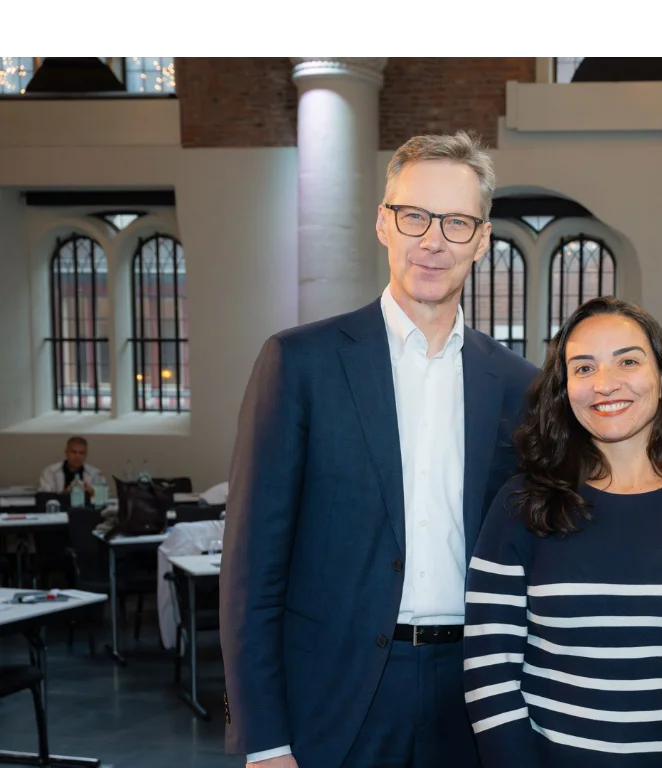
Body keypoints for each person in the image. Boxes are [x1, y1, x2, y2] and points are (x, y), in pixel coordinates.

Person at [221, 130, 539, 768]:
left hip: (476, 695)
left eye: (456, 222)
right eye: (414, 215)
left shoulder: (519, 386)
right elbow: (251, 569)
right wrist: (263, 739)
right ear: (382, 224)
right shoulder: (300, 363)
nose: (432, 240)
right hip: (336, 696)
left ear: (481, 239)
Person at [462, 296, 662, 767]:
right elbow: (491, 668)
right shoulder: (520, 502)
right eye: (583, 368)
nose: (605, 384)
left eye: (627, 360)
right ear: (563, 388)